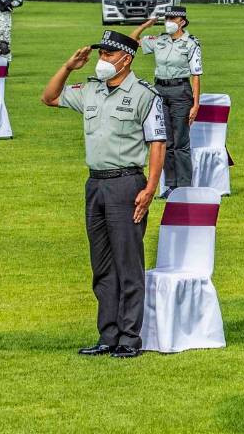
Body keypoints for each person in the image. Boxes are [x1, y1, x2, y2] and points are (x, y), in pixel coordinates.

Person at [40, 31, 166, 359]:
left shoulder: (144, 95)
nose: (102, 60)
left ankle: (129, 339)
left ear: (127, 59)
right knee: (102, 265)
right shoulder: (91, 91)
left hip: (126, 184)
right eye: (101, 54)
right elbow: (50, 98)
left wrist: (150, 188)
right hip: (95, 183)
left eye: (109, 55)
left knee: (128, 263)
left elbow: (157, 143)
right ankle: (107, 335)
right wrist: (68, 67)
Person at [131, 7, 201, 195]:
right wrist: (146, 25)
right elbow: (131, 41)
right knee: (165, 140)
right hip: (160, 90)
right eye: (167, 17)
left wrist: (195, 103)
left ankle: (184, 186)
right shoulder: (159, 40)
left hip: (180, 90)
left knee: (180, 141)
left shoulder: (191, 43)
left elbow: (195, 75)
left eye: (173, 18)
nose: (168, 21)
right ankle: (171, 184)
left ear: (182, 22)